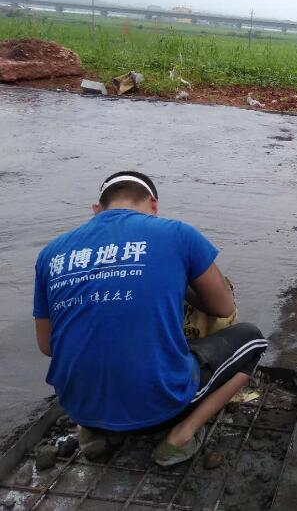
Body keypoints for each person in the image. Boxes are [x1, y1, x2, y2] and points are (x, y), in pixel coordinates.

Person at [33, 171, 268, 466]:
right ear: (154, 205)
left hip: (79, 406)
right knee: (252, 339)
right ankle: (180, 437)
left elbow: (47, 345)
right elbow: (224, 307)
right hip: (161, 410)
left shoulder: (50, 254)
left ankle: (94, 432)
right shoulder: (177, 234)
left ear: (96, 210)